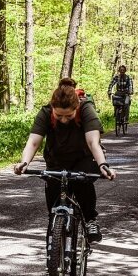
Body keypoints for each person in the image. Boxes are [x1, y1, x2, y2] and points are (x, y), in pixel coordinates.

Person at [14, 77, 116, 248]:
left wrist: (103, 165)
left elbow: (93, 142)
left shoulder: (86, 110)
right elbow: (33, 142)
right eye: (58, 115)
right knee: (53, 196)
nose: (63, 120)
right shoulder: (46, 112)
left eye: (68, 115)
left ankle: (90, 220)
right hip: (56, 159)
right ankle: (54, 241)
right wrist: (24, 163)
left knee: (81, 182)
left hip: (83, 158)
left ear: (76, 108)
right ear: (53, 109)